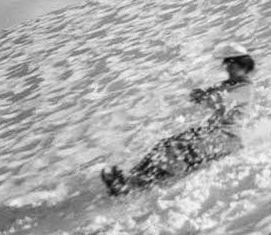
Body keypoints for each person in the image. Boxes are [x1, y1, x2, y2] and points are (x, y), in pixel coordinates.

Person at [101, 44, 255, 196]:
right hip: (213, 132)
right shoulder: (230, 84)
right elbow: (213, 95)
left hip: (227, 138)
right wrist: (201, 94)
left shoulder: (245, 89)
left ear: (244, 66)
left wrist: (207, 97)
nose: (227, 68)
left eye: (231, 64)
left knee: (179, 152)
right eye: (227, 64)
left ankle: (136, 186)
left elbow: (223, 100)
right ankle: (130, 177)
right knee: (165, 145)